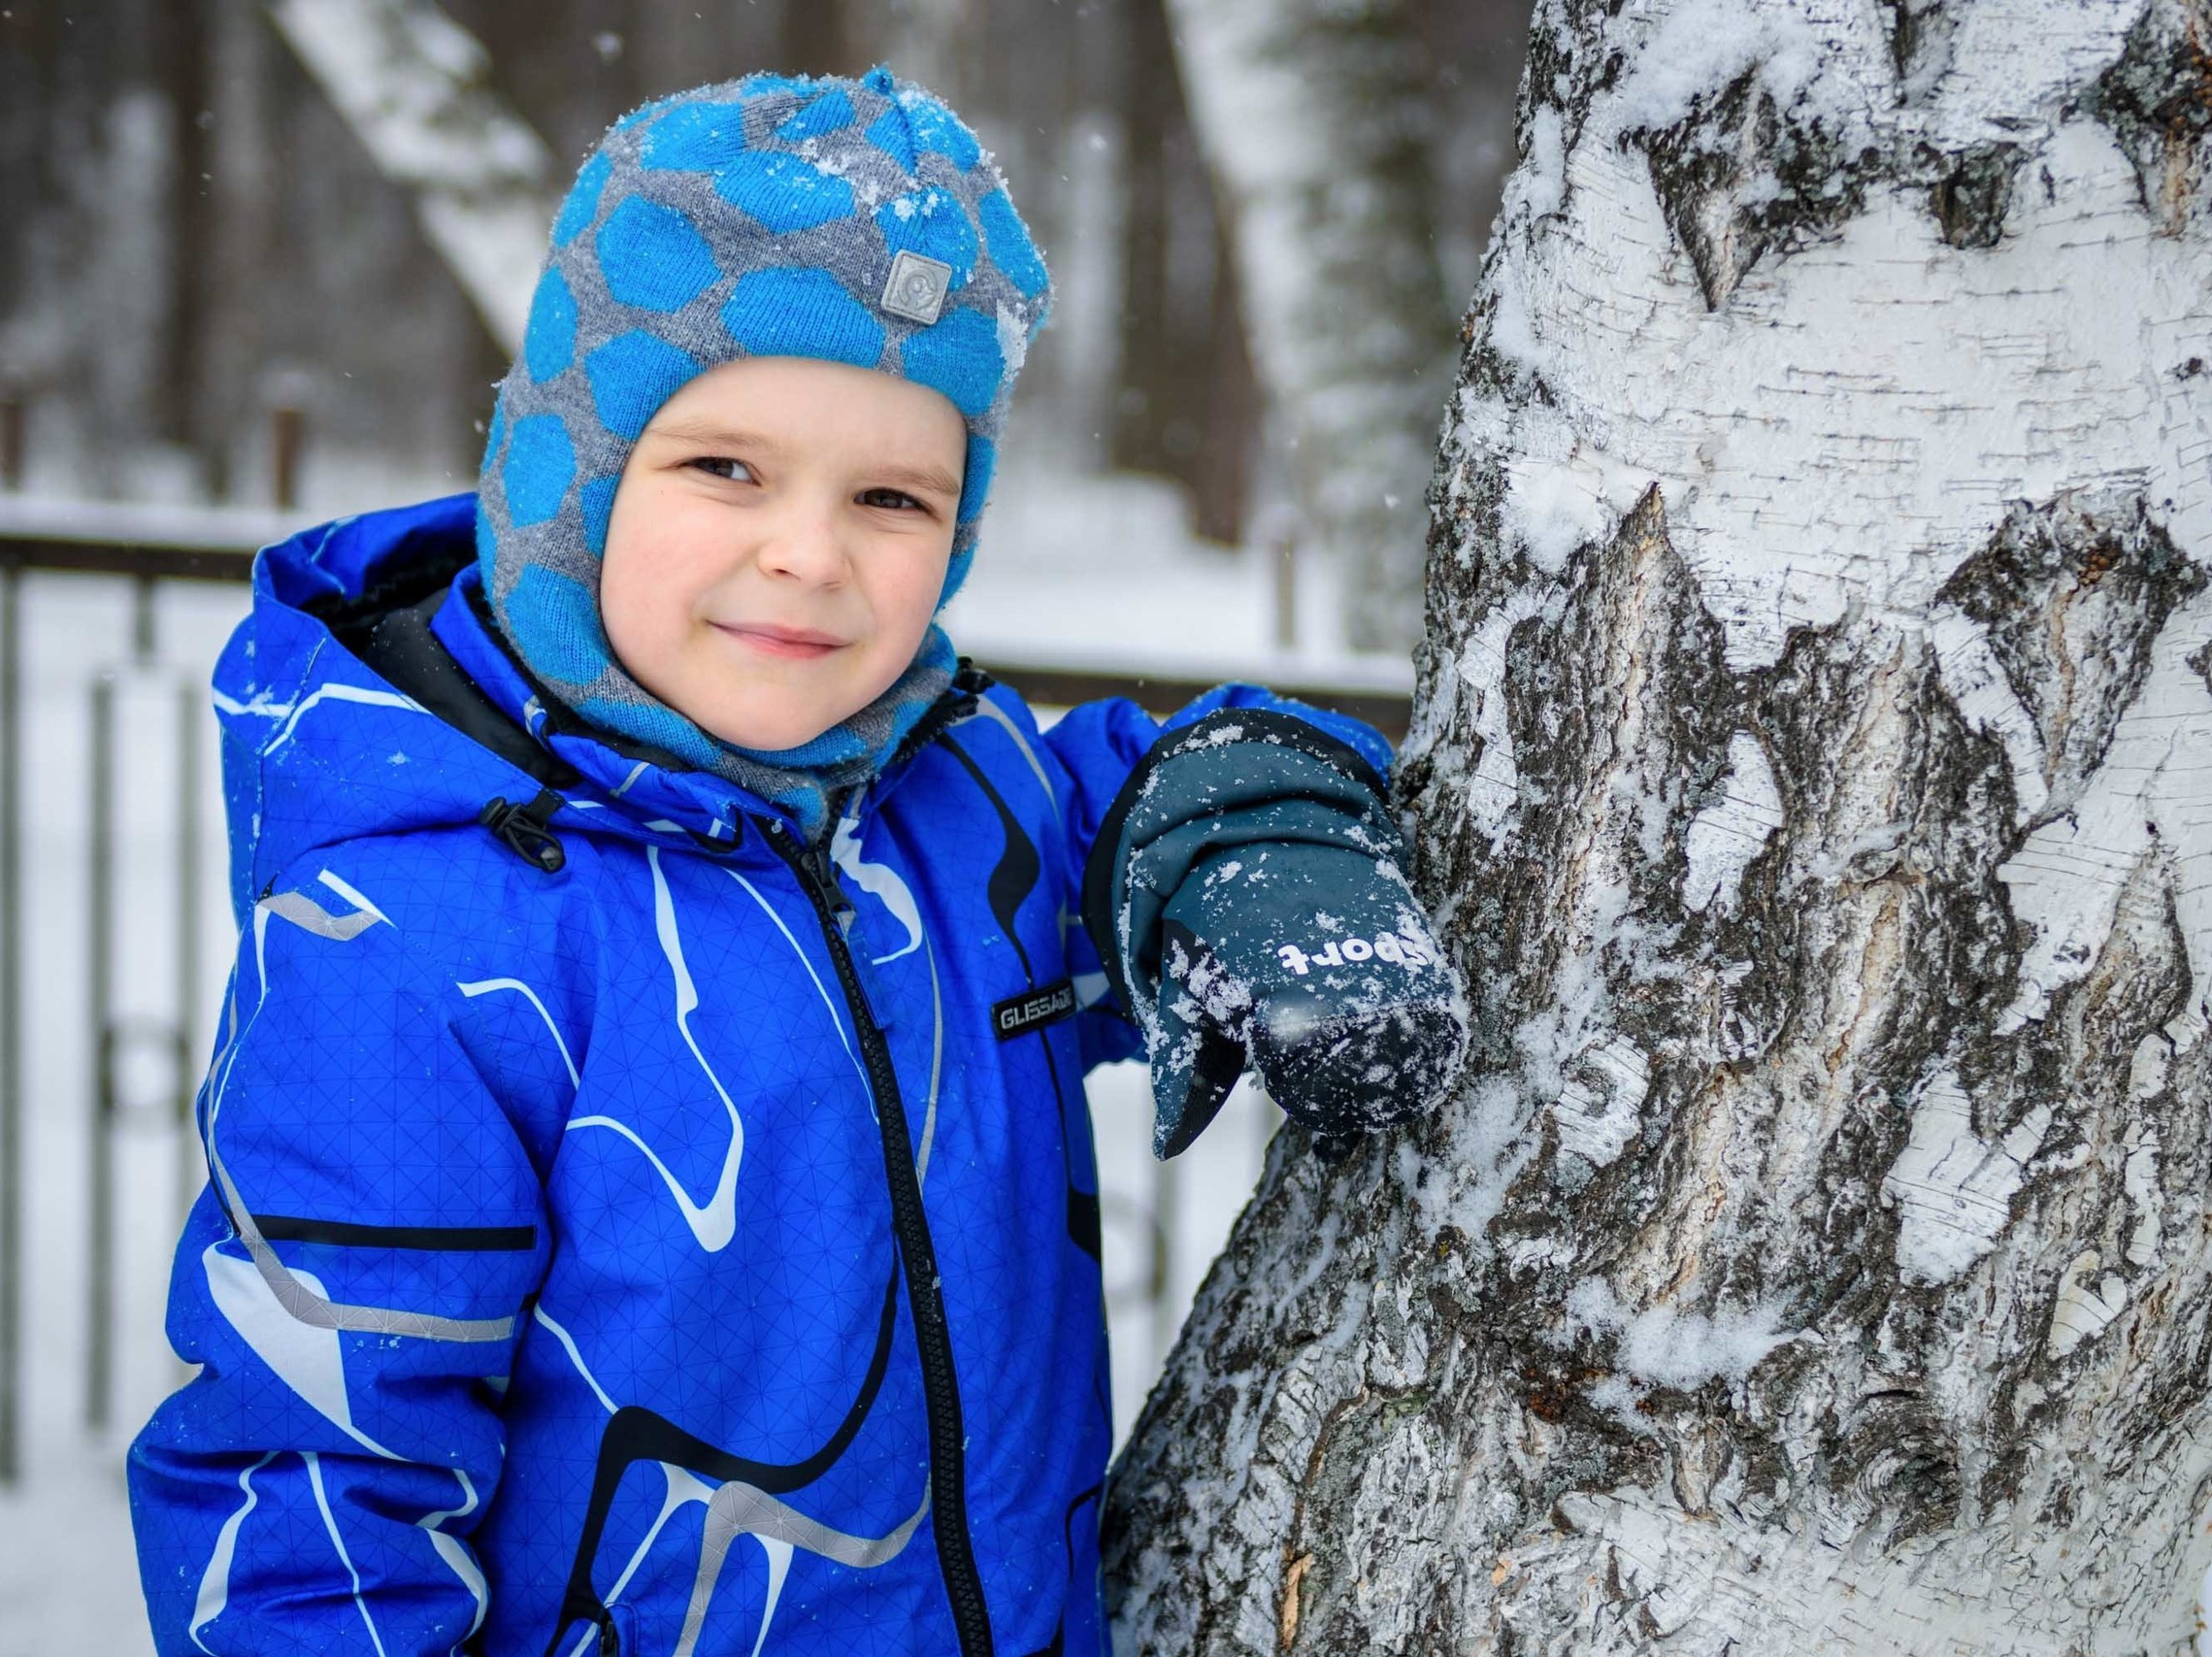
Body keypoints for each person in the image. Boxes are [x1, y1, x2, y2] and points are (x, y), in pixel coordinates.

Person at [127, 66, 1464, 1657]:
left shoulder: (953, 806)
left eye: (892, 496)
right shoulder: (419, 939)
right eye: (726, 469)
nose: (810, 554)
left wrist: (1261, 837)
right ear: (571, 478)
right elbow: (310, 1502)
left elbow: (1145, 791)